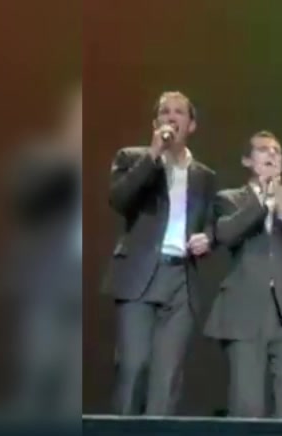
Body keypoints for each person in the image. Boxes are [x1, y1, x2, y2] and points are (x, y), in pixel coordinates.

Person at [102, 91, 216, 415]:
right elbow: (119, 199)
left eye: (179, 112)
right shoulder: (132, 158)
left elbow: (209, 222)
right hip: (139, 275)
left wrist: (207, 238)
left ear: (191, 125)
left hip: (181, 279)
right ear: (156, 123)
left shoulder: (204, 176)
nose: (171, 117)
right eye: (164, 112)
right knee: (133, 367)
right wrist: (153, 154)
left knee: (167, 377)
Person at [204, 131, 282, 418]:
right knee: (247, 406)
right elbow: (226, 233)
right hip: (244, 311)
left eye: (277, 151)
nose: (271, 154)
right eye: (263, 149)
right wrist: (262, 203)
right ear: (247, 160)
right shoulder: (230, 199)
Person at [8, 85, 82, 418]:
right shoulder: (43, 163)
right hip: (47, 287)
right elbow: (24, 202)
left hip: (81, 290)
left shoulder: (107, 170)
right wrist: (64, 160)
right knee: (38, 373)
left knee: (72, 394)